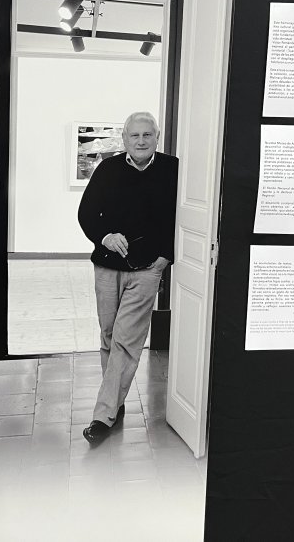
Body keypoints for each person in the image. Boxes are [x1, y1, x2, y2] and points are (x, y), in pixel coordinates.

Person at [77, 111, 178, 445]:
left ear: (157, 137)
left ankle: (102, 415)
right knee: (108, 334)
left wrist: (165, 257)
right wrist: (104, 235)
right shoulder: (108, 169)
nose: (141, 141)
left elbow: (186, 217)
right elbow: (87, 212)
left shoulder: (173, 170)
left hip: (147, 269)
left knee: (125, 340)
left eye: (147, 135)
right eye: (134, 136)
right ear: (124, 139)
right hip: (107, 267)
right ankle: (115, 403)